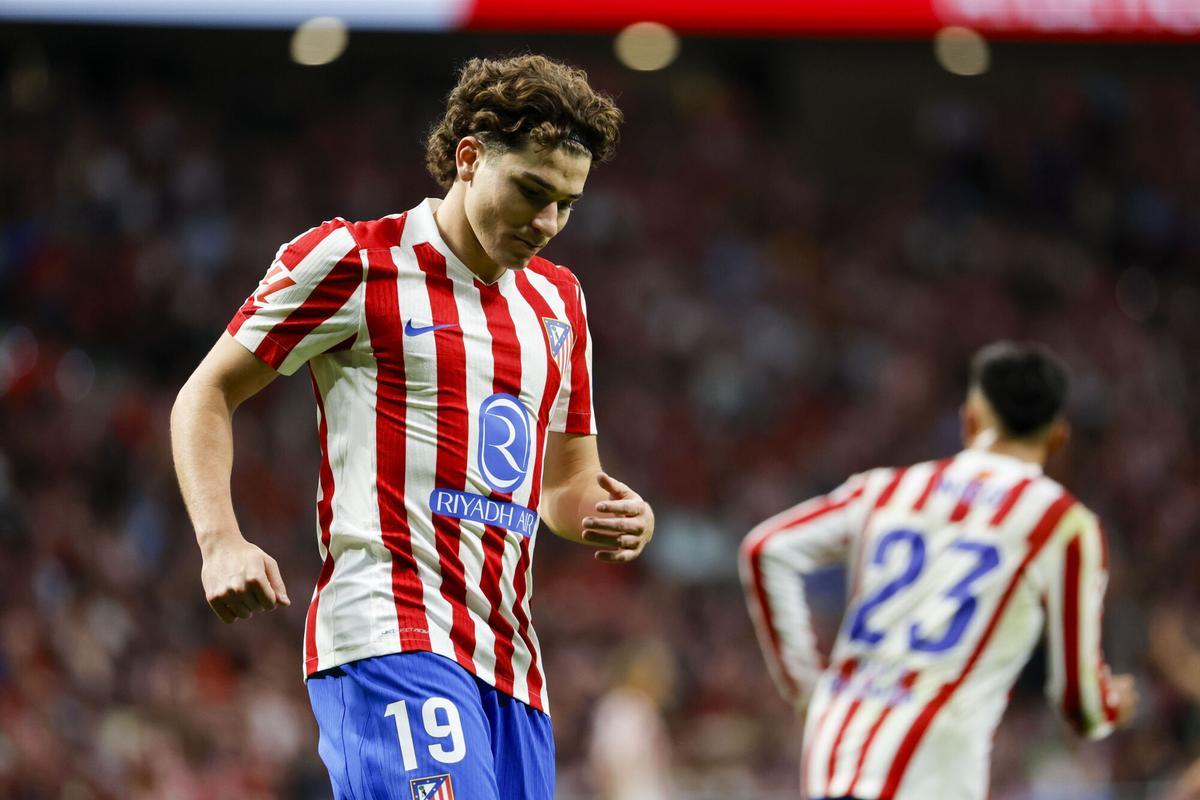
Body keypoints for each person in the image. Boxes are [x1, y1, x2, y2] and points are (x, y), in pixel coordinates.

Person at [170, 54, 655, 800]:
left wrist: (612, 515)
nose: (548, 223)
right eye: (532, 191)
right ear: (469, 157)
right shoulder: (353, 261)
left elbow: (566, 483)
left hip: (510, 664)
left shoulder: (560, 303)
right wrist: (219, 541)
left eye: (567, 203)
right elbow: (205, 395)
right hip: (389, 631)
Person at [739, 341, 1137, 800]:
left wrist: (809, 689)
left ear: (969, 419)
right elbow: (1079, 700)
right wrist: (1110, 705)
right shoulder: (1063, 524)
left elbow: (765, 548)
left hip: (837, 748)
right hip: (933, 766)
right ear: (1058, 436)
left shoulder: (888, 489)